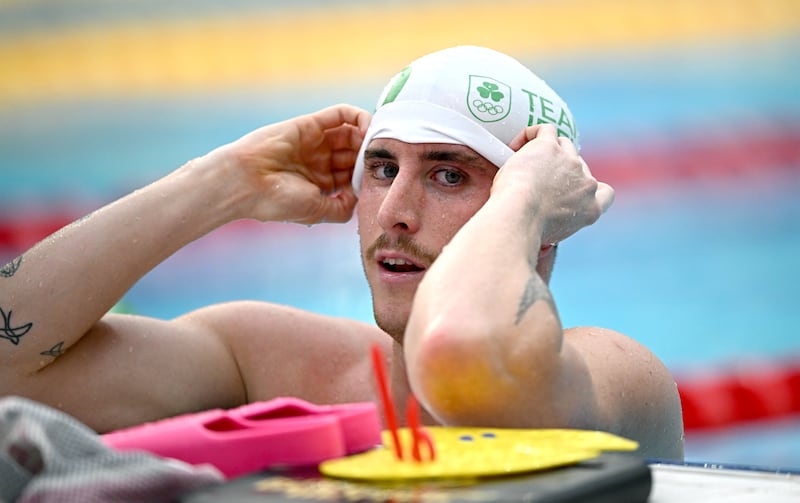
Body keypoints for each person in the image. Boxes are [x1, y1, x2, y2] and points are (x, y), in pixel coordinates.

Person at [0, 46, 683, 460]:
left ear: (543, 213)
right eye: (382, 168)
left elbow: (463, 363)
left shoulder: (621, 380)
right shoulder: (265, 361)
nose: (392, 211)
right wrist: (220, 182)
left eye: (449, 174)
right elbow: (11, 372)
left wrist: (527, 198)